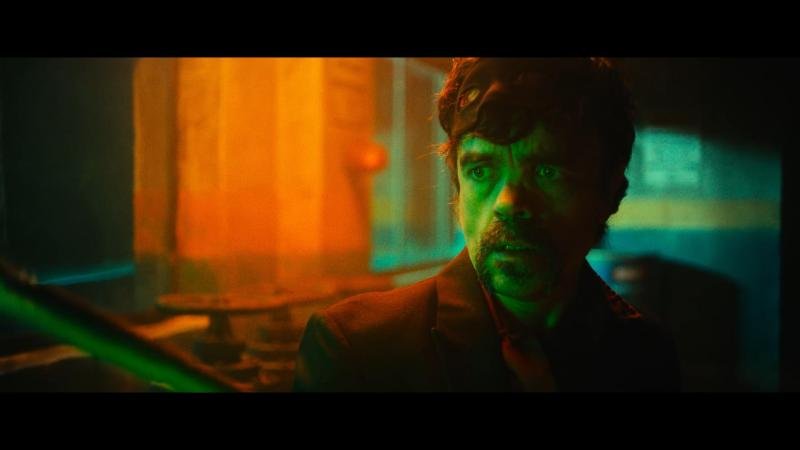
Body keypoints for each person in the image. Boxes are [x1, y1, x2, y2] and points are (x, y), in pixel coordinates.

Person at [293, 57, 680, 392]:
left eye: (547, 170)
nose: (509, 204)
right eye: (480, 170)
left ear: (610, 191)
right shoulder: (359, 350)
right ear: (458, 191)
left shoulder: (644, 353)